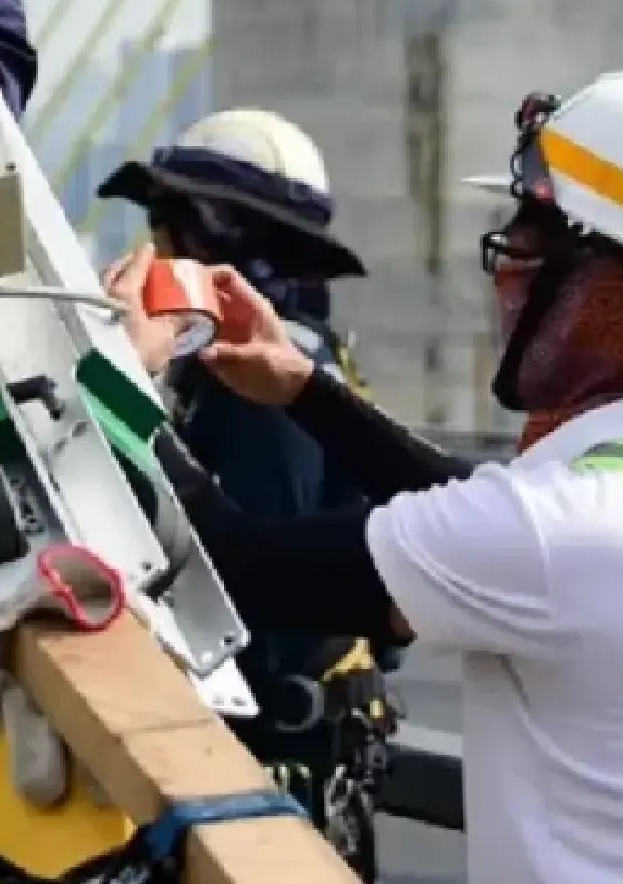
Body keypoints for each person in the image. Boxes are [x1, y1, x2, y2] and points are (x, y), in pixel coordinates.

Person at [107, 70, 623, 884]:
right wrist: (304, 390)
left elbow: (238, 561)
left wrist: (110, 379)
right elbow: (479, 507)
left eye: (534, 238)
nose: (507, 264)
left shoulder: (572, 530)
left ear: (615, 283)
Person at [98, 109, 394, 876]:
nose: (151, 251)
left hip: (272, 773)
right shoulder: (294, 365)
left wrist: (116, 393)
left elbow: (258, 580)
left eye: (171, 229)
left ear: (223, 244)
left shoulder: (254, 384)